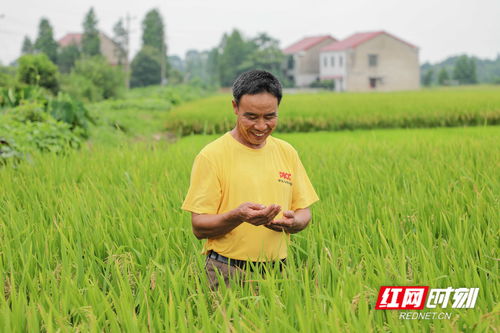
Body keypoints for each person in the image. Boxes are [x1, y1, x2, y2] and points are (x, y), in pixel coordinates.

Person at [181, 70, 319, 290]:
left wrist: (294, 223)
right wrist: (238, 216)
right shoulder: (212, 156)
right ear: (235, 107)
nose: (261, 126)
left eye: (270, 116)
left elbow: (304, 211)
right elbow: (199, 227)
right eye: (251, 117)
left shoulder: (286, 152)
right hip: (228, 272)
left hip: (278, 272)